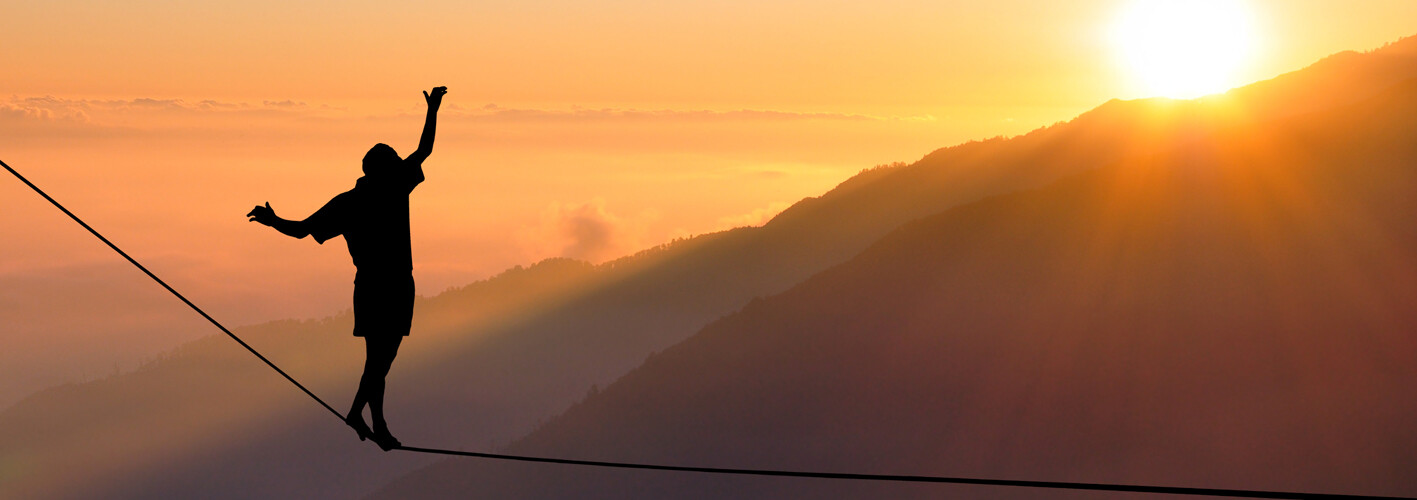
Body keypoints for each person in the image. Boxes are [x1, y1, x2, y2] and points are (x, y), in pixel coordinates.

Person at [247, 86, 448, 451]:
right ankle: (362, 415)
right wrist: (433, 110)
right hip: (393, 286)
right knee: (382, 361)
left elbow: (303, 229)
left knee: (379, 360)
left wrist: (274, 221)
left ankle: (376, 421)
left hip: (374, 286)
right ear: (385, 169)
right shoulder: (393, 188)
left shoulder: (351, 201)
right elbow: (425, 150)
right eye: (394, 160)